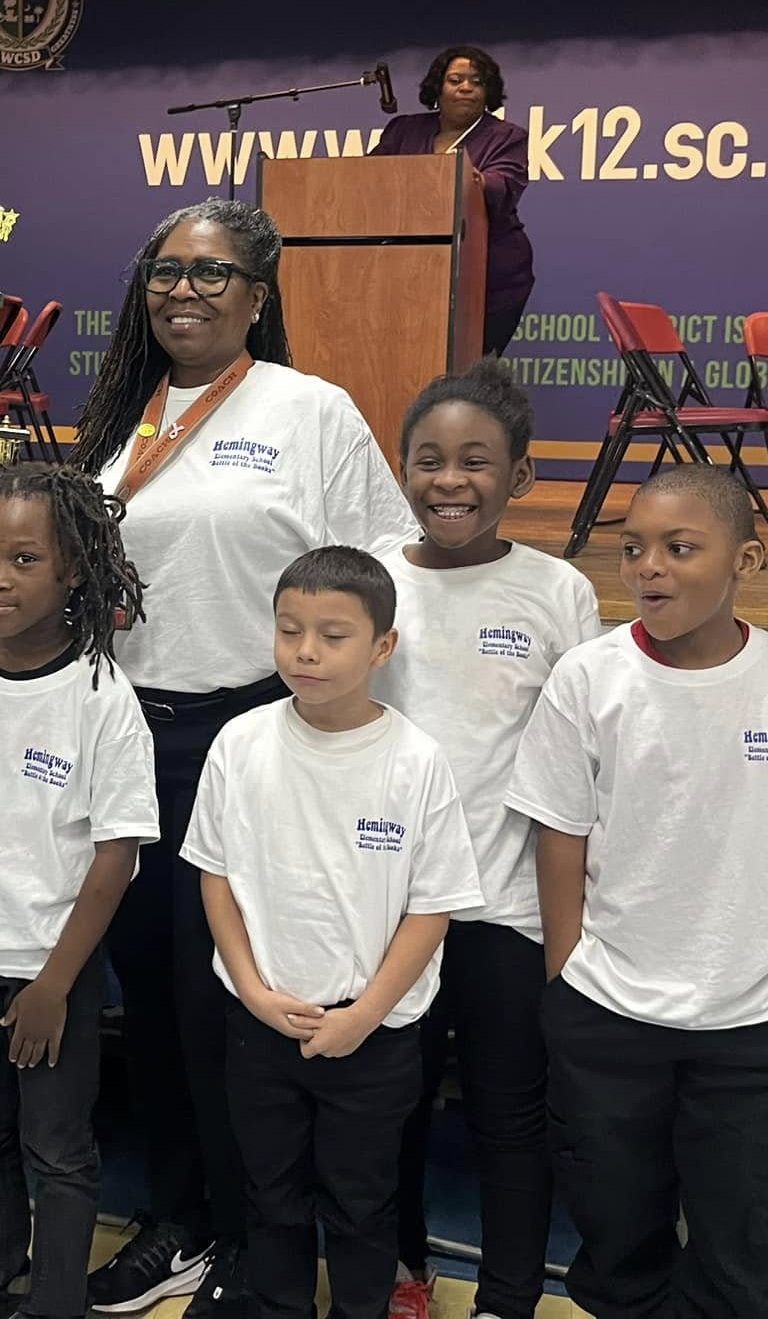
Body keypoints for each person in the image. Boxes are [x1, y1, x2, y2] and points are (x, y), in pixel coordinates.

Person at [71, 198, 416, 1319]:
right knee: (157, 1004)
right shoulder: (121, 415)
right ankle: (181, 1218)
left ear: (258, 299)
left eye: (212, 275)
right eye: (166, 270)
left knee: (230, 999)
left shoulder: (311, 411)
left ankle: (249, 1234)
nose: (183, 290)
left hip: (255, 734)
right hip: (128, 738)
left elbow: (378, 577)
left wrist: (354, 745)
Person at [506, 465, 768, 1319]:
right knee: (618, 1240)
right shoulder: (591, 679)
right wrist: (568, 973)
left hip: (765, 1022)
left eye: (679, 548)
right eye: (632, 549)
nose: (648, 568)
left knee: (745, 1251)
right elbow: (561, 835)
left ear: (748, 559)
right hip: (611, 1012)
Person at [184, 547, 479, 1319]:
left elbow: (433, 906)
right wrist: (249, 988)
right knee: (271, 1196)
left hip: (372, 1035)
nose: (305, 652)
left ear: (383, 647)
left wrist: (364, 1015)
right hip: (261, 1023)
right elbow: (215, 875)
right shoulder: (240, 745)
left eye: (333, 635)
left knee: (361, 1204)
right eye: (290, 630)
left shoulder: (415, 762)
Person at [0, 463, 160, 1319]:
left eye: (24, 559)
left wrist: (55, 984)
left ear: (76, 567)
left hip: (53, 975)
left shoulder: (101, 698)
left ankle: (54, 1306)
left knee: (57, 1150)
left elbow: (115, 857)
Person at [375, 362, 600, 1319]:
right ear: (403, 470)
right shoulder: (371, 576)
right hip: (384, 909)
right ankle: (400, 1275)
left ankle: (507, 1297)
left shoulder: (557, 592)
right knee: (389, 1112)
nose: (450, 480)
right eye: (429, 460)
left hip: (506, 909)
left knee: (512, 1117)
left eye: (476, 461)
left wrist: (569, 928)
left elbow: (583, 765)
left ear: (522, 476)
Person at [370, 46, 535, 357]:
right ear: (438, 88)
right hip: (405, 270)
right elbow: (371, 179)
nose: (466, 87)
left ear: (489, 92)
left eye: (477, 81)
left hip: (489, 273)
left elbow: (504, 182)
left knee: (467, 363)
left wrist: (477, 181)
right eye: (455, 79)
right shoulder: (404, 130)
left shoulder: (507, 136)